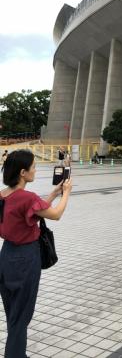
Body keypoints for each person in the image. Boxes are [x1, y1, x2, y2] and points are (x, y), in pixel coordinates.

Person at [0, 149, 72, 358]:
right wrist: (66, 192)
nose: (35, 170)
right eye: (33, 167)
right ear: (23, 172)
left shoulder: (3, 195)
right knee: (20, 318)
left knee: (14, 314)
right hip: (25, 259)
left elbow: (32, 211)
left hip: (6, 257)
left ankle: (17, 353)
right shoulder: (27, 198)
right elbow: (56, 214)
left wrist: (53, 193)